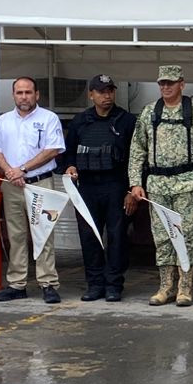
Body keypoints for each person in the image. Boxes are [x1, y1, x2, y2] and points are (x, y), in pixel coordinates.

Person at [127, 64, 193, 307]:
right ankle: (165, 287)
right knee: (162, 238)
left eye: (170, 83)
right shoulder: (149, 112)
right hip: (157, 186)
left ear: (181, 84)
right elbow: (137, 149)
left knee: (186, 237)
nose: (165, 87)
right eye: (162, 83)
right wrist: (135, 183)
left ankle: (184, 288)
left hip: (188, 183)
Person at [0, 77, 66, 304]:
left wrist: (22, 169)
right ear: (13, 95)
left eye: (28, 92)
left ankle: (48, 283)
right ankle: (17, 284)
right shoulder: (3, 121)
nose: (24, 97)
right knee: (16, 235)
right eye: (19, 92)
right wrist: (10, 172)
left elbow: (52, 150)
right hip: (12, 184)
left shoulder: (49, 118)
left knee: (44, 234)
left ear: (37, 95)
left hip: (40, 183)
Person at [63, 74, 135, 302]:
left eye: (110, 91)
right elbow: (68, 153)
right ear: (91, 95)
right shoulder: (80, 121)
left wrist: (131, 190)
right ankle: (94, 284)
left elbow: (136, 158)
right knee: (89, 236)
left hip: (116, 186)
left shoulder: (126, 121)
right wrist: (70, 166)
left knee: (117, 237)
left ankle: (114, 284)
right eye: (102, 92)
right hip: (87, 187)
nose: (107, 96)